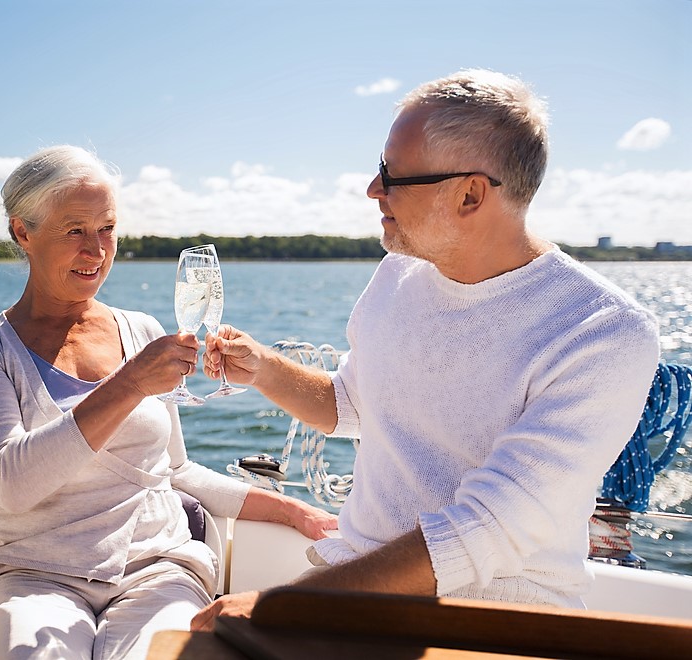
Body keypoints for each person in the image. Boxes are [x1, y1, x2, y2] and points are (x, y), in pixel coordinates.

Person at [192, 69, 660, 631]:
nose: (373, 189)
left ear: (469, 194)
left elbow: (486, 527)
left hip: (490, 620)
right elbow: (352, 406)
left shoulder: (601, 331)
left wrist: (285, 603)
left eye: (393, 175)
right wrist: (265, 369)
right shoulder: (399, 274)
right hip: (354, 593)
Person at [0, 145, 337, 660]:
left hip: (158, 573)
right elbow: (13, 484)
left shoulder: (141, 331)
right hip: (30, 577)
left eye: (106, 229)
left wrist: (289, 509)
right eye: (74, 230)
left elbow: (176, 471)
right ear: (23, 232)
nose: (96, 250)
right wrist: (128, 384)